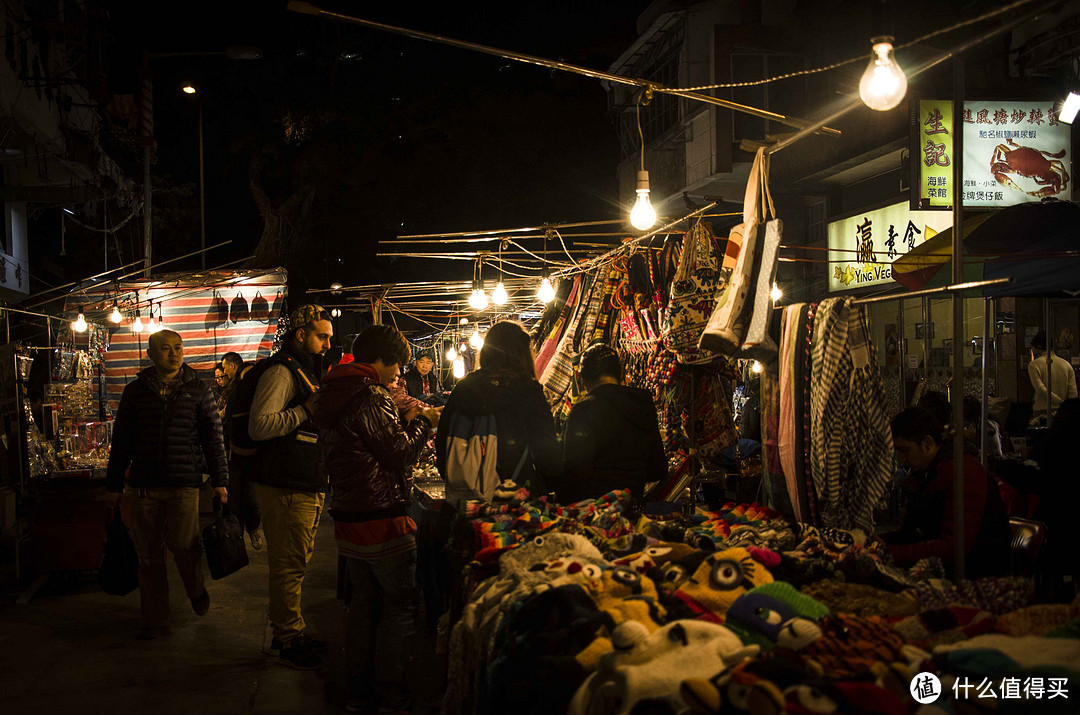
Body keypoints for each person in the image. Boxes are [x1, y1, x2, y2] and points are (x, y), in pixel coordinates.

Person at [314, 324, 440, 713]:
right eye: (397, 366)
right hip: (381, 514)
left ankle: (359, 691)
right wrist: (426, 422)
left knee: (364, 605)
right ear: (379, 361)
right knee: (398, 605)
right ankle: (390, 692)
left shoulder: (334, 389)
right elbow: (399, 454)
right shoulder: (370, 395)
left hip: (350, 515)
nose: (399, 374)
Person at [105, 329, 229, 639]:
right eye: (164, 348)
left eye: (177, 347)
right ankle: (156, 619)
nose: (173, 353)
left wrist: (220, 480)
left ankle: (196, 589)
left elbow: (213, 437)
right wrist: (114, 484)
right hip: (143, 485)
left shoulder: (199, 390)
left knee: (184, 547)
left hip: (183, 484)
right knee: (148, 556)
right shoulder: (135, 392)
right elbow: (121, 440)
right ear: (150, 354)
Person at [246, 304, 333, 669]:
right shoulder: (282, 372)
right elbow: (259, 426)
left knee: (293, 562)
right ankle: (287, 638)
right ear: (301, 335)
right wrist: (304, 411)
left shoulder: (303, 370)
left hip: (302, 480)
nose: (328, 345)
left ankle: (289, 630)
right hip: (285, 484)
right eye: (321, 336)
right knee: (288, 564)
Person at [436, 320, 562, 498]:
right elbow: (548, 458)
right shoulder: (529, 392)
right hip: (517, 504)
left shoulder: (464, 389)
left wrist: (468, 481)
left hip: (467, 507)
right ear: (523, 354)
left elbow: (443, 444)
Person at [884, 406, 1010, 578]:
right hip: (937, 567)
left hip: (977, 574)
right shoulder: (921, 475)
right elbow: (909, 532)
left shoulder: (963, 472)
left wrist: (890, 553)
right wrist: (881, 544)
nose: (901, 459)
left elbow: (953, 548)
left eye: (905, 450)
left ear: (927, 444)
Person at [552, 344, 665, 504]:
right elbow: (658, 469)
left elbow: (574, 473)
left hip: (594, 510)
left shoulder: (583, 410)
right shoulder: (642, 405)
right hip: (632, 506)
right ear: (620, 374)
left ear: (583, 379)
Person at [994, 399, 1080, 596]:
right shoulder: (1060, 450)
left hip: (1056, 533)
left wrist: (1005, 467)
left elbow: (1040, 482)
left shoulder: (1058, 448)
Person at [222, 351, 262, 551]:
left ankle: (253, 528)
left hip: (253, 454)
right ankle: (237, 537)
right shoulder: (234, 392)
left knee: (251, 496)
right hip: (234, 453)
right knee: (235, 496)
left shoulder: (259, 398)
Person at [1028, 330, 1077, 418]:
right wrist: (1065, 405)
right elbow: (1073, 392)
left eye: (1032, 348)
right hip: (1063, 411)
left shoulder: (1034, 365)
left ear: (1037, 347)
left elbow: (1040, 389)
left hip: (1042, 410)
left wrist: (1058, 400)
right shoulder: (1066, 364)